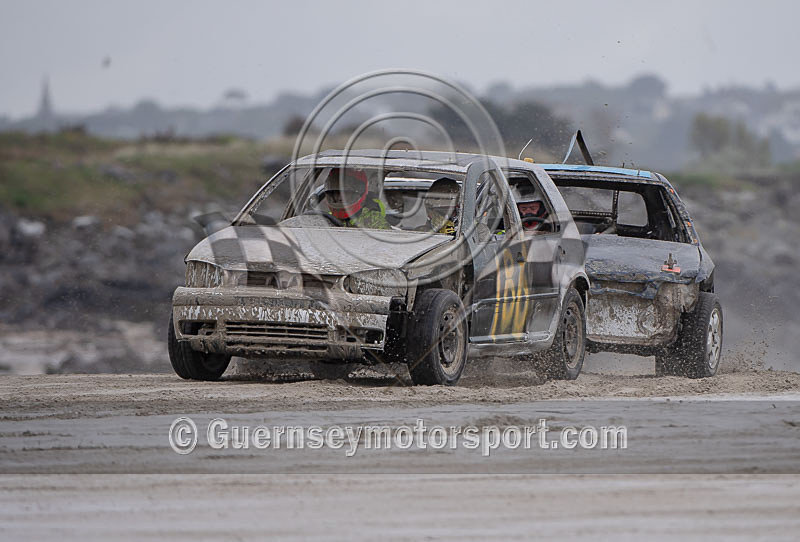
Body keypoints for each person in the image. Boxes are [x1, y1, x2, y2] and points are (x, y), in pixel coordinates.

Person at [323, 168, 390, 230]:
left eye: (346, 192)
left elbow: (386, 239)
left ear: (359, 192)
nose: (339, 197)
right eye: (335, 193)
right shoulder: (328, 218)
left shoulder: (372, 219)